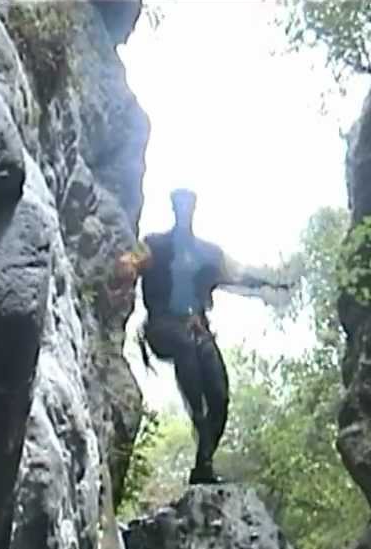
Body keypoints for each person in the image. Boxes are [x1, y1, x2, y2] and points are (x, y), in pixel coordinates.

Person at [113, 188, 293, 485]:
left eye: (188, 206)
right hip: (163, 327)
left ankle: (203, 464)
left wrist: (273, 283)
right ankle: (198, 417)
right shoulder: (156, 245)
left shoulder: (208, 253)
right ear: (173, 209)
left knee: (220, 396)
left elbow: (238, 275)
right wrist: (127, 266)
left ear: (193, 209)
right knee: (185, 348)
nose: (184, 211)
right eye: (179, 205)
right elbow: (135, 260)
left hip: (197, 329)